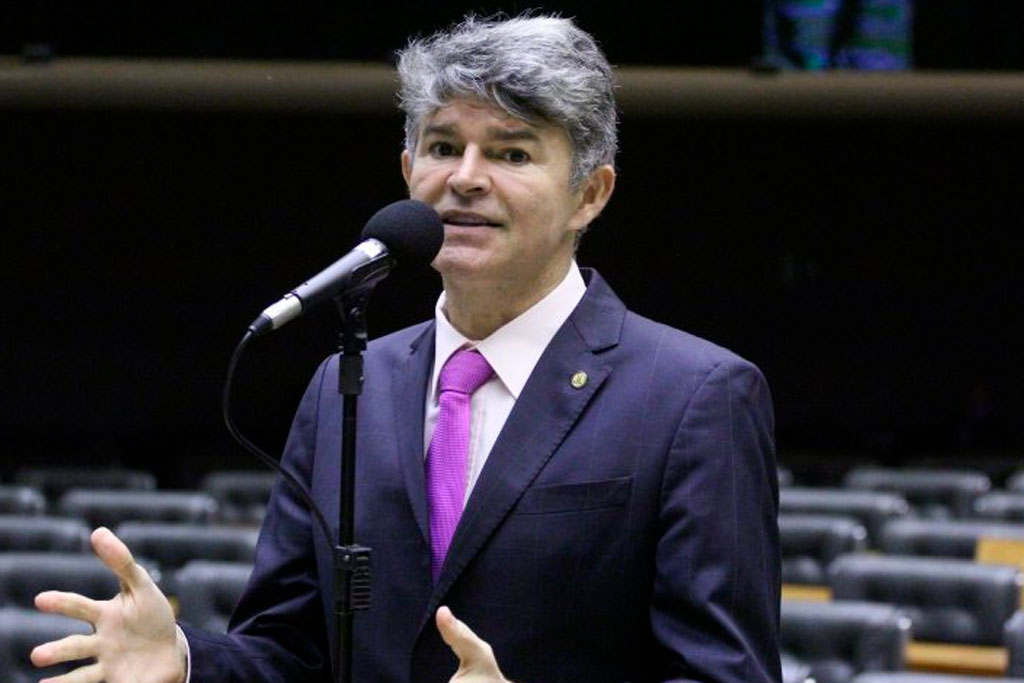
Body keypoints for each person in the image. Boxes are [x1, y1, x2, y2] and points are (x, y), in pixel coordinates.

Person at [31, 13, 781, 683]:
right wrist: (188, 661)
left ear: (591, 194)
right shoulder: (347, 384)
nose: (465, 178)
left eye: (512, 155)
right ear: (406, 173)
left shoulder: (696, 395)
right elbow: (291, 653)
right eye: (443, 146)